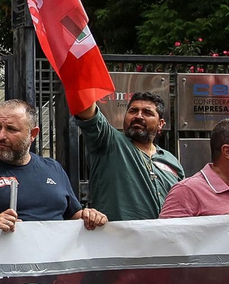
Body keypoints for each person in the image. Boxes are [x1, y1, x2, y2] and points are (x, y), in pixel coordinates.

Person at [0, 99, 106, 231]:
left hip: (52, 274)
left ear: (33, 134)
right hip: (0, 275)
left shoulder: (54, 169)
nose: (0, 136)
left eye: (11, 129)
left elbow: (73, 216)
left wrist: (89, 216)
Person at [74, 92, 183, 221]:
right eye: (133, 111)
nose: (138, 116)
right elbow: (87, 111)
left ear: (161, 124)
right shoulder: (110, 142)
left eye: (147, 113)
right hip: (118, 239)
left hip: (165, 239)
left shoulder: (172, 161)